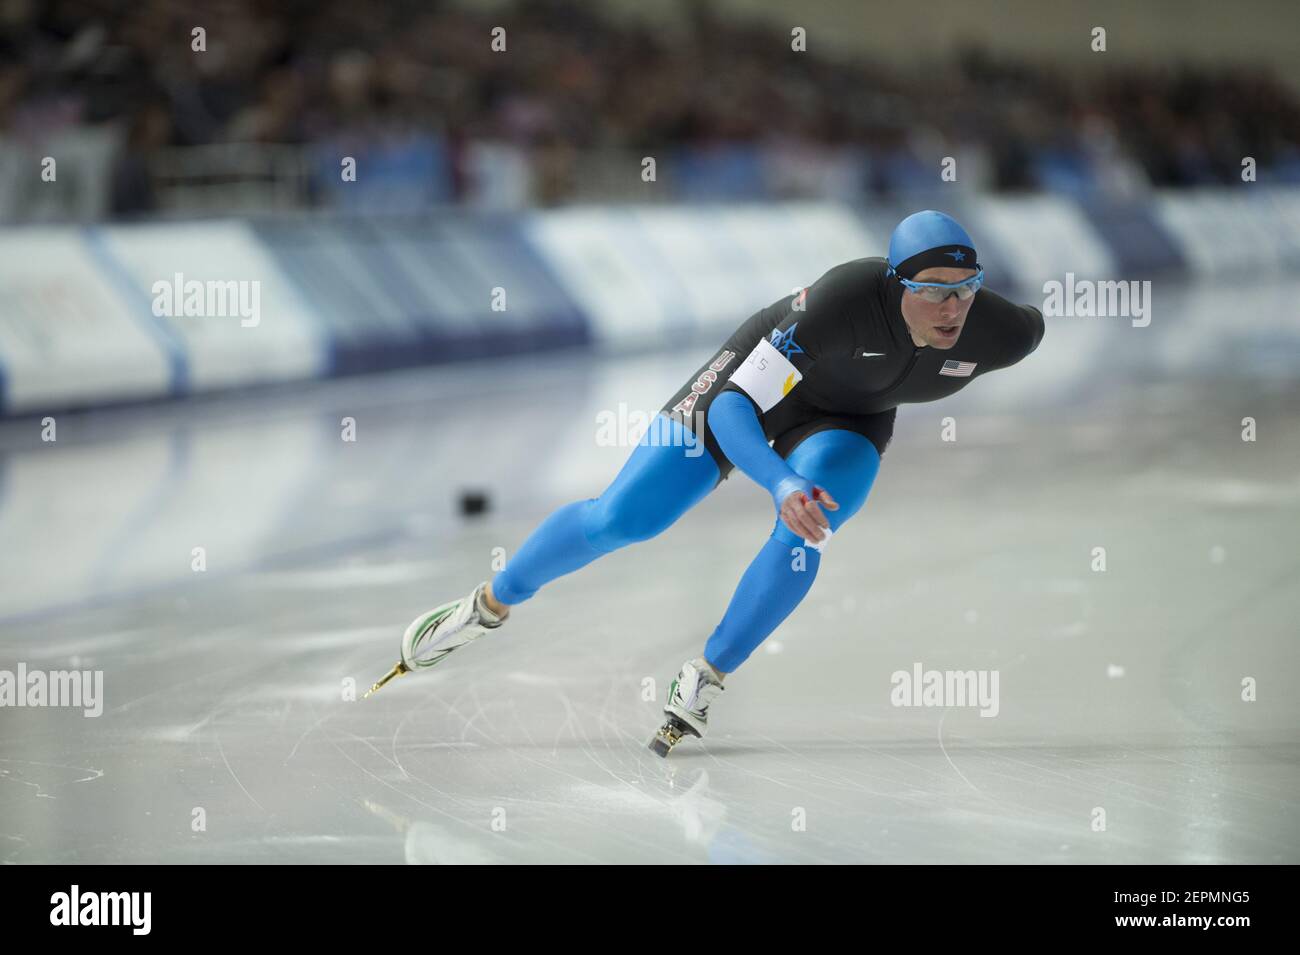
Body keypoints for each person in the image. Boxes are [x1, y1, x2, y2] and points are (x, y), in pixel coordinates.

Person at [366, 210, 1046, 756]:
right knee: (625, 519)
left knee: (811, 526)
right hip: (743, 394)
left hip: (850, 418)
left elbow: (1033, 320)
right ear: (896, 284)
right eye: (932, 290)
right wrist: (779, 480)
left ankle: (707, 674)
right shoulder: (843, 301)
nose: (952, 307)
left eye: (965, 288)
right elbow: (730, 408)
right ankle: (489, 603)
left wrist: (798, 495)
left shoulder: (1003, 333)